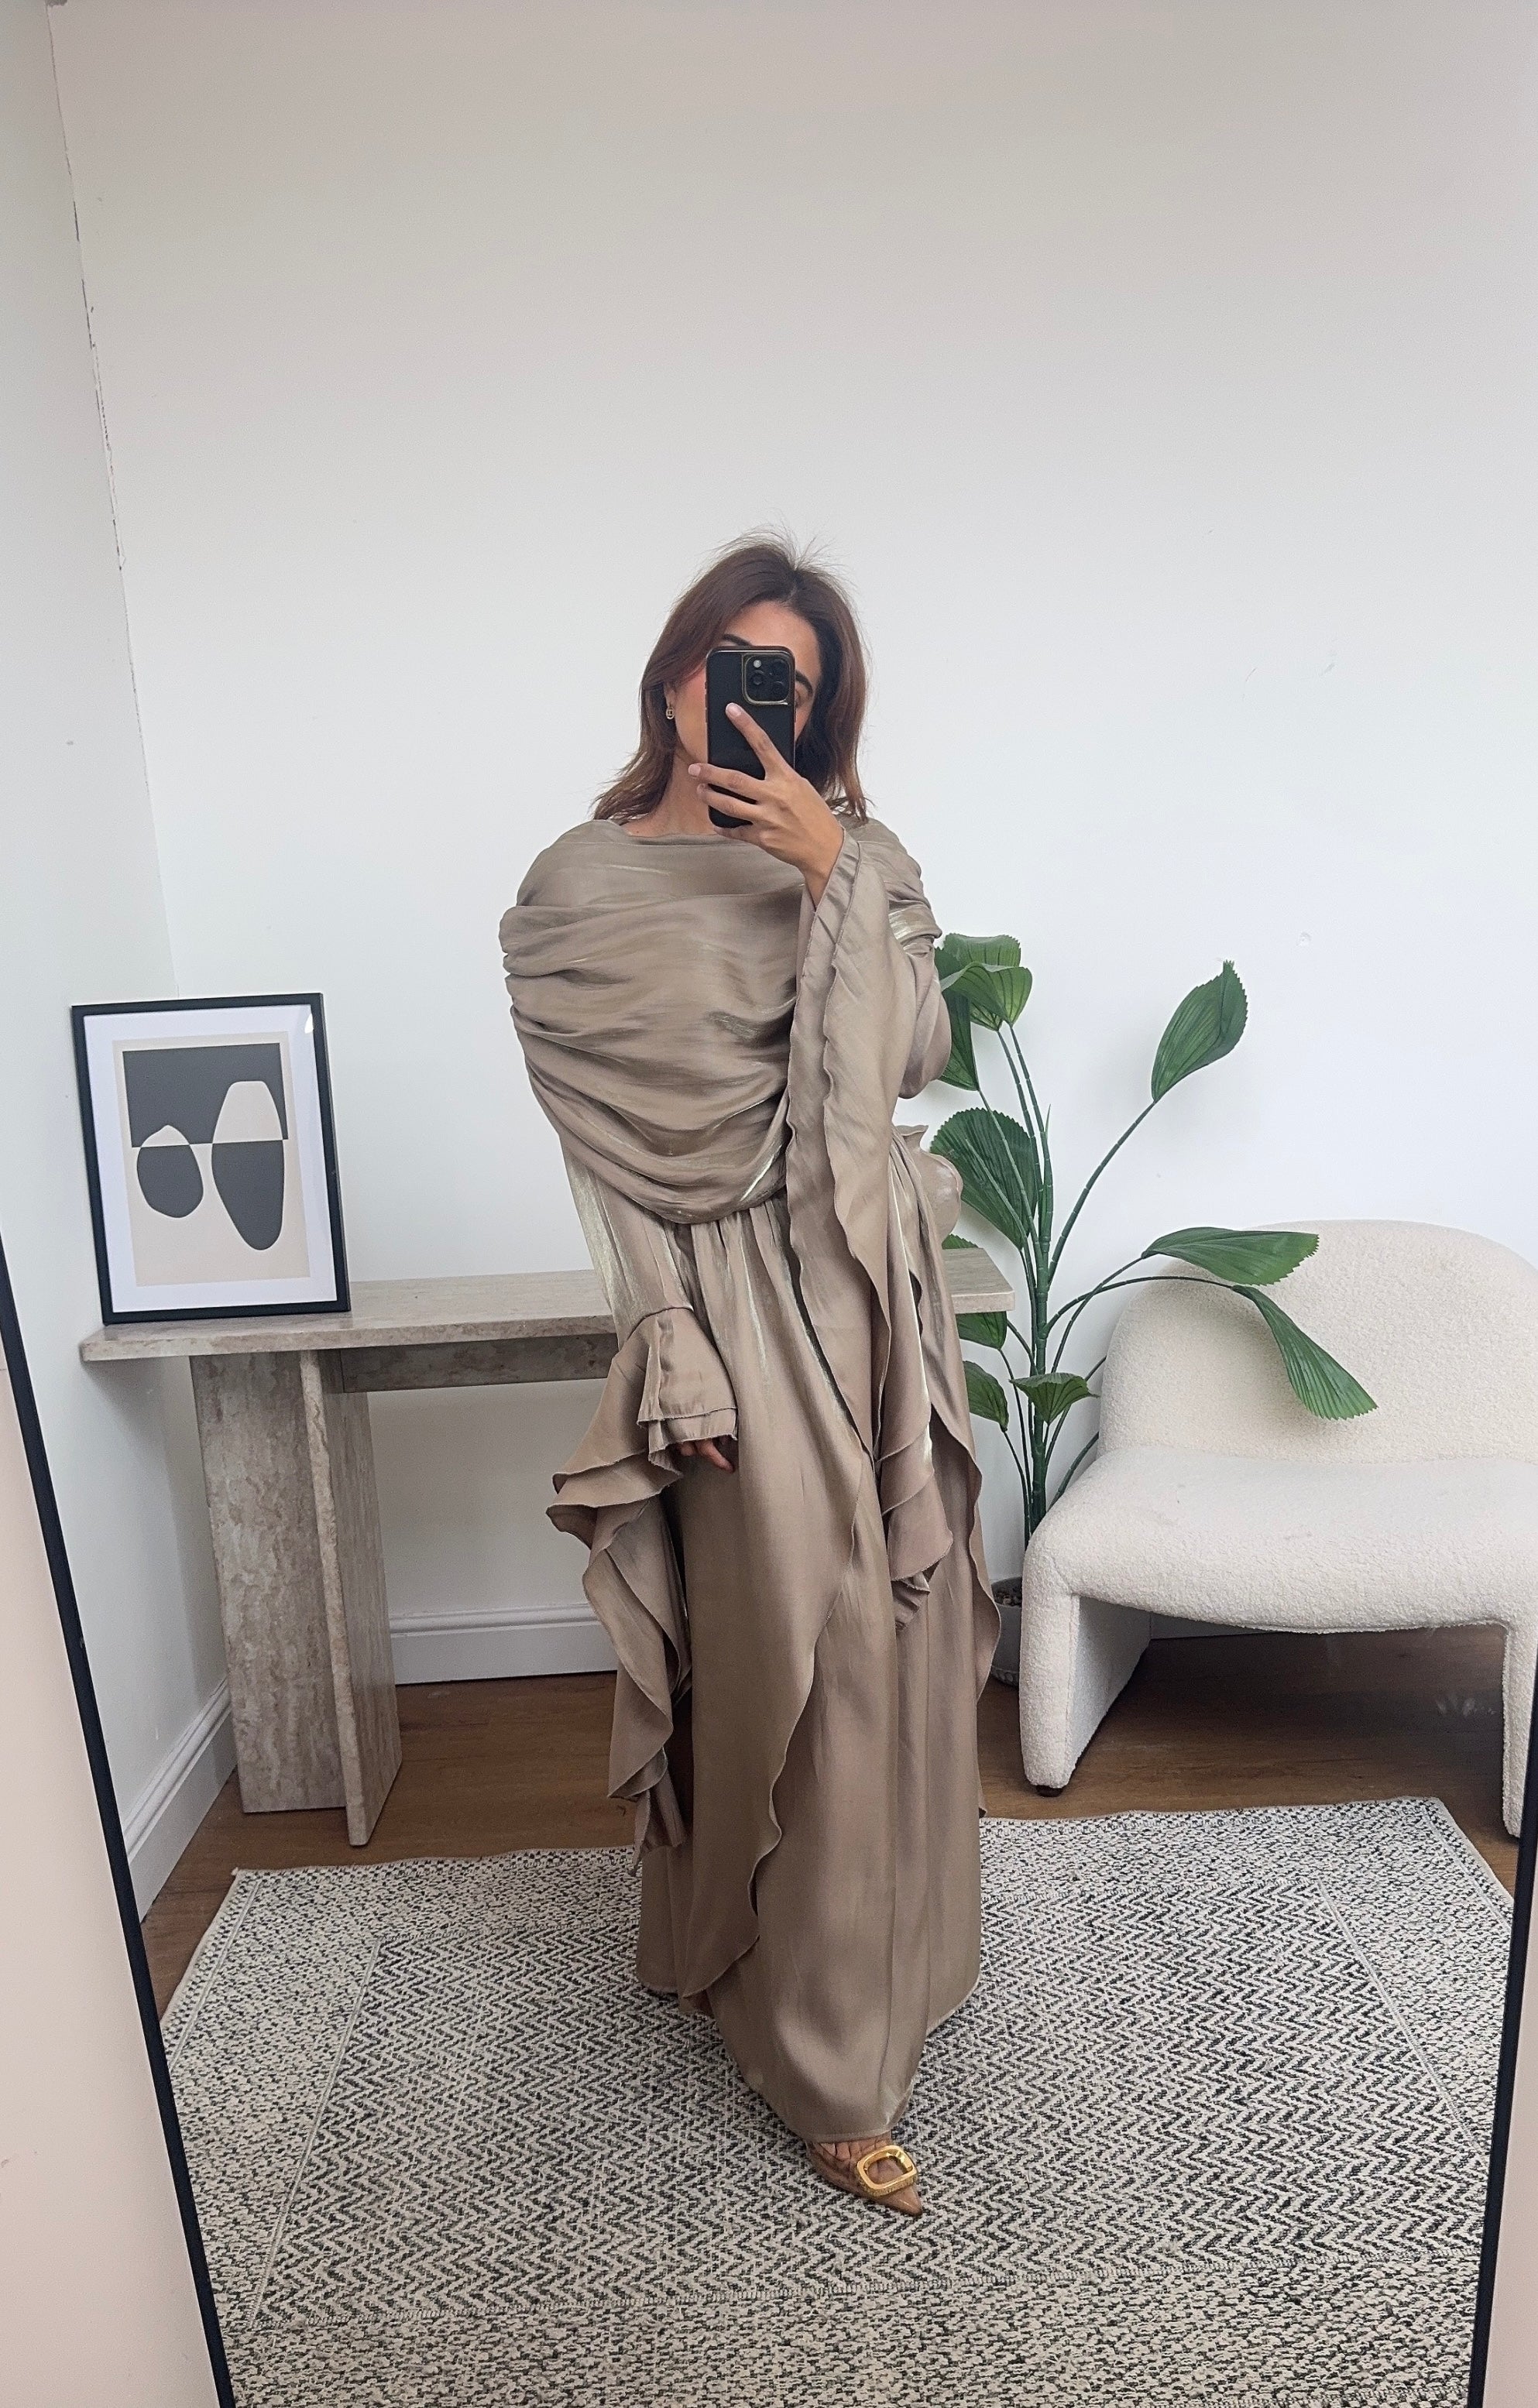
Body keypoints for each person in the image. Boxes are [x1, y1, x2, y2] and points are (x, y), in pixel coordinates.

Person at [500, 536, 997, 2215]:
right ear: (673, 681)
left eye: (794, 681)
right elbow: (605, 1165)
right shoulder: (576, 888)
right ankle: (822, 2053)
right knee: (802, 1644)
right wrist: (671, 1345)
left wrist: (831, 872)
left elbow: (912, 1054)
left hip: (870, 1286)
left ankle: (890, 1965)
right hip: (727, 1304)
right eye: (734, 666)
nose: (756, 701)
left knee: (895, 1638)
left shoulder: (859, 850)